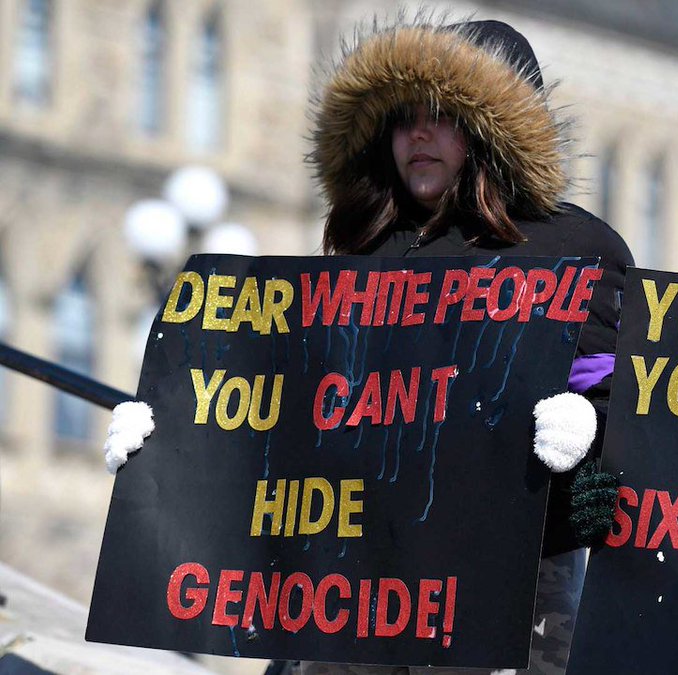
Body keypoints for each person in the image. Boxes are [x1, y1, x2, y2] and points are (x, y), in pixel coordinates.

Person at [105, 17, 631, 675]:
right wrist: (170, 439)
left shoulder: (577, 251)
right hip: (353, 589)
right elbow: (286, 415)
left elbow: (629, 436)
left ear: (494, 130)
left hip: (504, 602)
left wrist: (590, 429)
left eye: (440, 115)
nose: (416, 133)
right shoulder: (363, 251)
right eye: (403, 116)